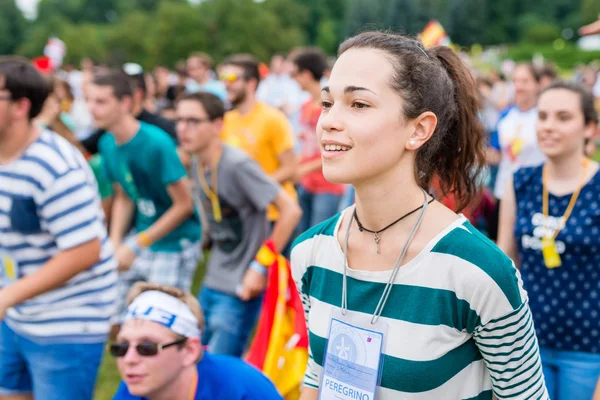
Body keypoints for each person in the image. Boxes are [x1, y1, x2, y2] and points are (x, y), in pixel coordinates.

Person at [291, 32, 548, 400]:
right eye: (328, 103)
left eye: (358, 104)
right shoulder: (310, 253)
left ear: (419, 129)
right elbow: (318, 374)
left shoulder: (477, 271)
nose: (329, 121)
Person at [0, 56, 117, 399]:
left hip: (69, 318)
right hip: (18, 310)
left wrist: (6, 297)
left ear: (21, 106)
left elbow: (85, 251)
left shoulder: (54, 166)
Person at [176, 92, 301, 356]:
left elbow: (290, 211)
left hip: (239, 286)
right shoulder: (198, 162)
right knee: (195, 361)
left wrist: (260, 265)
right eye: (179, 120)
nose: (182, 129)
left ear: (217, 125)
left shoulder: (237, 164)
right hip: (213, 278)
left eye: (193, 121)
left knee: (222, 369)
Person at [498, 81, 600, 400]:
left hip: (587, 351)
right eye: (542, 117)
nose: (549, 127)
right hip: (526, 345)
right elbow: (505, 263)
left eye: (563, 117)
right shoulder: (522, 180)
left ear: (590, 129)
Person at [87, 71, 201, 332]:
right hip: (142, 234)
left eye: (101, 101)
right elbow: (125, 195)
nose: (92, 109)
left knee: (161, 320)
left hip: (174, 241)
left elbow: (184, 205)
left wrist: (138, 243)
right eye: (89, 100)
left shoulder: (156, 143)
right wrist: (116, 242)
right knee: (116, 317)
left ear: (126, 103)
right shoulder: (106, 143)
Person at [111, 282, 284, 400]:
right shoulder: (134, 386)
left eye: (147, 347)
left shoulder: (243, 389)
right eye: (122, 347)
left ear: (190, 350)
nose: (129, 359)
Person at [219, 54, 298, 254]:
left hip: (275, 216)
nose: (227, 84)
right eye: (224, 79)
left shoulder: (273, 118)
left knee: (273, 279)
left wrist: (254, 188)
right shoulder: (227, 120)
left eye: (233, 79)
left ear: (251, 82)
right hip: (243, 216)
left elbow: (290, 168)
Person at [489, 63, 546, 240]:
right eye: (516, 81)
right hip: (504, 191)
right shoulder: (505, 116)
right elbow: (495, 155)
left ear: (537, 84)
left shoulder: (543, 116)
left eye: (525, 81)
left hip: (536, 192)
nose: (519, 86)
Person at [291, 48, 344, 232]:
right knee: (304, 235)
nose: (293, 79)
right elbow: (307, 145)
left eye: (294, 74)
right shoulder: (306, 105)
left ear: (306, 74)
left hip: (327, 184)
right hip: (306, 182)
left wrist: (303, 168)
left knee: (319, 236)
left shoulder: (329, 105)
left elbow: (336, 146)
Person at [81, 63, 177, 155]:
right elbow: (84, 147)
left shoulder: (160, 134)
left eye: (101, 101)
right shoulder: (107, 139)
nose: (91, 108)